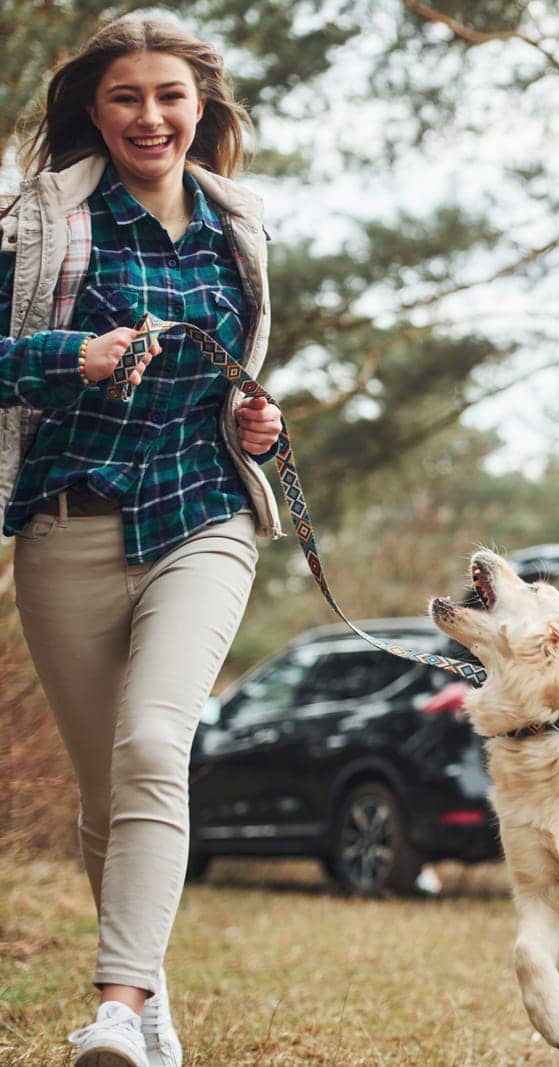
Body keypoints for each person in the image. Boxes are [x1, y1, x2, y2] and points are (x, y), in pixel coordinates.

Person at [1, 17, 283, 1067]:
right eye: (127, 97)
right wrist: (69, 354)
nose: (151, 117)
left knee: (156, 746)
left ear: (200, 106)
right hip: (66, 522)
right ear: (94, 107)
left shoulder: (236, 224)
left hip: (199, 513)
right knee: (105, 793)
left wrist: (260, 421)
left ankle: (114, 1003)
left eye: (171, 95)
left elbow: (241, 376)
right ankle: (151, 1007)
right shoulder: (40, 220)